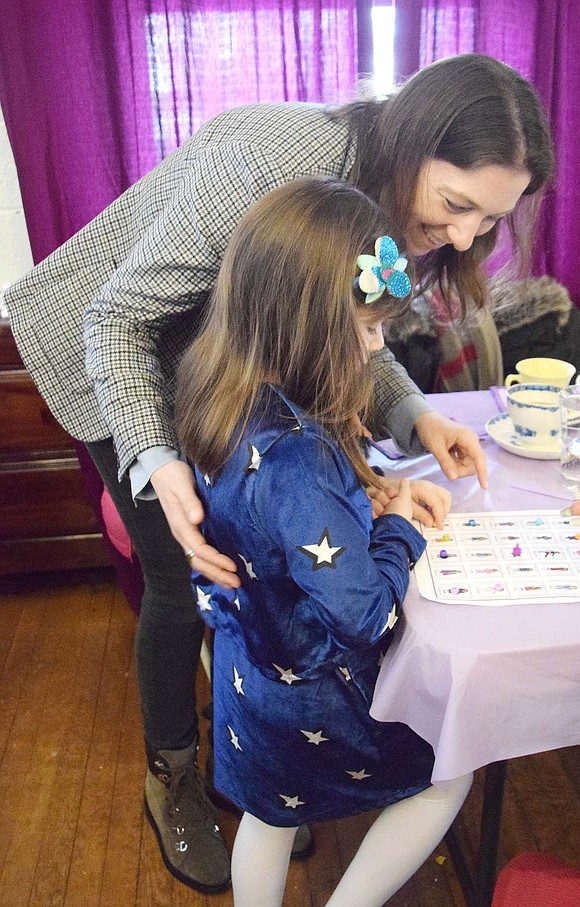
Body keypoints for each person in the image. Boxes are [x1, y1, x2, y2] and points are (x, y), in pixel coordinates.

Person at [4, 52, 553, 892]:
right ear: (411, 146)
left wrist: (418, 414)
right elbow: (119, 316)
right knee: (178, 569)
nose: (468, 237)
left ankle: (265, 775)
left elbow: (347, 326)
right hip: (118, 343)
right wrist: (158, 462)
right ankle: (177, 775)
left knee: (253, 570)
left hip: (228, 367)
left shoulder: (384, 221)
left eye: (492, 220)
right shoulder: (276, 158)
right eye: (456, 206)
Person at [174, 174, 472, 907]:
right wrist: (397, 527)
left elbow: (272, 528)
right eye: (367, 329)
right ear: (303, 325)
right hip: (308, 692)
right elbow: (367, 613)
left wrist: (366, 498)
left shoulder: (220, 388)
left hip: (248, 675)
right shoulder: (300, 454)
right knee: (453, 768)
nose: (377, 348)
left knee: (268, 820)